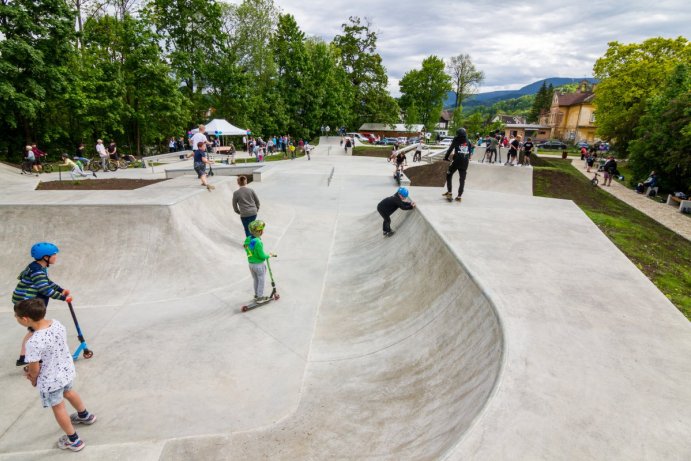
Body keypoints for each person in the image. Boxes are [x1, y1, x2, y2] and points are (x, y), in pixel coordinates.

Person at [14, 298, 97, 452]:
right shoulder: (57, 324)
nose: (17, 319)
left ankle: (74, 440)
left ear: (25, 319)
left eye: (17, 317)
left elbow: (34, 368)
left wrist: (33, 379)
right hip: (65, 371)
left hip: (51, 379)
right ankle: (85, 415)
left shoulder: (33, 342)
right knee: (69, 392)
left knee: (58, 406)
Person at [13, 242, 69, 366]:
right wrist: (63, 298)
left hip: (28, 301)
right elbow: (45, 289)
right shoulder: (37, 271)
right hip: (26, 303)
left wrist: (60, 289)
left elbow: (47, 282)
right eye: (53, 255)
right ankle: (26, 356)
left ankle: (24, 357)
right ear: (45, 257)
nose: (56, 257)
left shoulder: (38, 267)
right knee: (35, 328)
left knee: (34, 329)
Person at [243, 220, 277, 304]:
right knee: (261, 280)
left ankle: (257, 295)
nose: (263, 231)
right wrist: (269, 255)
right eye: (262, 230)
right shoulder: (258, 242)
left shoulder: (249, 239)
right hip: (259, 265)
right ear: (258, 231)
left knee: (256, 280)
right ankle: (260, 297)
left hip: (251, 264)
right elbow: (262, 256)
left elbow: (246, 247)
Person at [442, 127, 473, 202]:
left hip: (457, 161)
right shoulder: (468, 141)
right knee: (462, 179)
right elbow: (469, 152)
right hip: (465, 162)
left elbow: (450, 149)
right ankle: (459, 196)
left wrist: (446, 158)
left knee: (449, 174)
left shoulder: (456, 139)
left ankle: (449, 192)